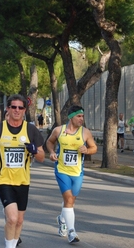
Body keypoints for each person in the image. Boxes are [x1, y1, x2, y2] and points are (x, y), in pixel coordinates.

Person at [0, 94, 45, 248]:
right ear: (8, 109)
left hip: (23, 180)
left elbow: (42, 157)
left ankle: (13, 242)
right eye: (13, 107)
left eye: (20, 107)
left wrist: (34, 150)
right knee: (12, 219)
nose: (17, 110)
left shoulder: (31, 130)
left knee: (19, 220)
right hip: (3, 179)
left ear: (24, 110)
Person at [46, 105, 97, 244]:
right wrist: (51, 152)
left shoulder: (85, 132)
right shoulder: (59, 130)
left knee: (71, 200)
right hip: (62, 170)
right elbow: (49, 142)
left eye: (82, 116)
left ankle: (62, 219)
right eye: (78, 116)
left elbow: (94, 148)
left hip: (77, 172)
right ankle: (71, 231)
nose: (81, 119)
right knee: (68, 199)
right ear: (71, 117)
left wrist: (87, 150)